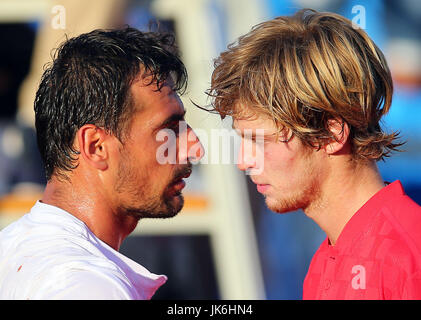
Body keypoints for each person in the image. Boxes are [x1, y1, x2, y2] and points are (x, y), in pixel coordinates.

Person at [204, 9, 421, 299]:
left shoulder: (407, 256)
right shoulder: (327, 259)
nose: (243, 161)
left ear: (332, 134)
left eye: (259, 141)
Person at [0, 27, 203, 299]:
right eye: (169, 129)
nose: (195, 147)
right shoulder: (88, 286)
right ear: (95, 146)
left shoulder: (12, 250)